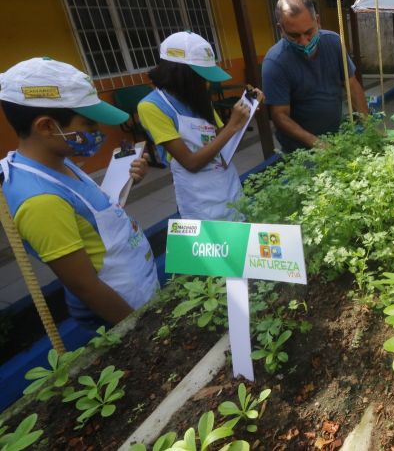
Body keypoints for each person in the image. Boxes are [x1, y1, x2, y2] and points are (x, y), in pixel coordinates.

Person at [0, 57, 158, 328]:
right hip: (120, 314)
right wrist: (140, 329)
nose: (98, 133)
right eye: (89, 125)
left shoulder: (57, 160)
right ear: (47, 126)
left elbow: (89, 217)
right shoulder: (41, 202)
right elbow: (86, 287)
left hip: (137, 290)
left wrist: (127, 181)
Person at [138, 31, 261, 221]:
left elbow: (226, 146)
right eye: (200, 77)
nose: (205, 83)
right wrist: (232, 126)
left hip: (227, 184)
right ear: (178, 73)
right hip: (199, 199)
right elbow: (191, 162)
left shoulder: (197, 98)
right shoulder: (151, 107)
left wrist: (246, 115)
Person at [261, 0, 368, 153]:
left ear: (317, 21)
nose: (304, 42)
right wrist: (316, 143)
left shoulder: (333, 42)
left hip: (335, 137)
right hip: (300, 150)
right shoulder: (275, 63)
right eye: (294, 35)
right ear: (281, 29)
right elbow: (280, 115)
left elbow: (352, 85)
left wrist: (368, 125)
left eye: (309, 32)